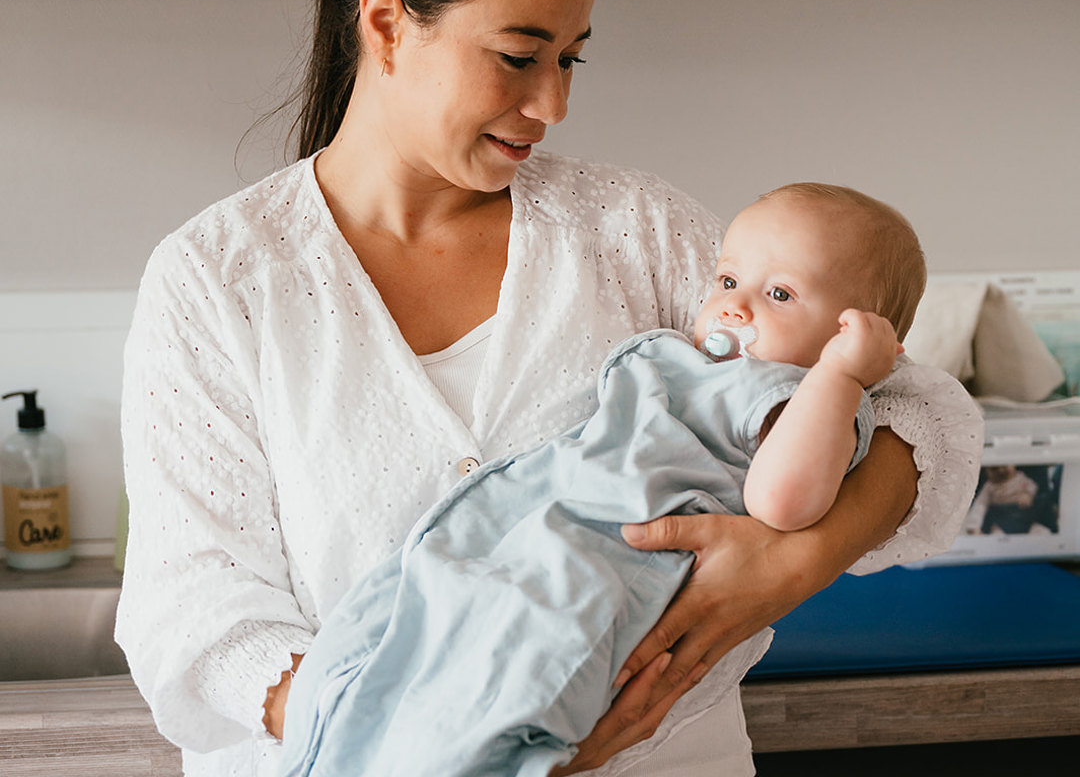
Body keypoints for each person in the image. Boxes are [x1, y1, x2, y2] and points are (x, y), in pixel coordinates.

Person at [115, 0, 983, 777]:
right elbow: (191, 608)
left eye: (571, 59)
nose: (552, 105)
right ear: (385, 22)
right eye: (519, 56)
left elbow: (918, 403)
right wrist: (428, 728)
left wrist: (788, 566)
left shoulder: (638, 231)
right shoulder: (220, 279)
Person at [278, 183, 930, 777]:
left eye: (779, 294)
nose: (734, 305)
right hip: (496, 540)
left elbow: (782, 502)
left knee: (488, 716)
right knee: (346, 668)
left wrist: (841, 378)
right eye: (729, 278)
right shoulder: (683, 357)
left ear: (859, 335)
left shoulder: (798, 400)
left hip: (595, 571)